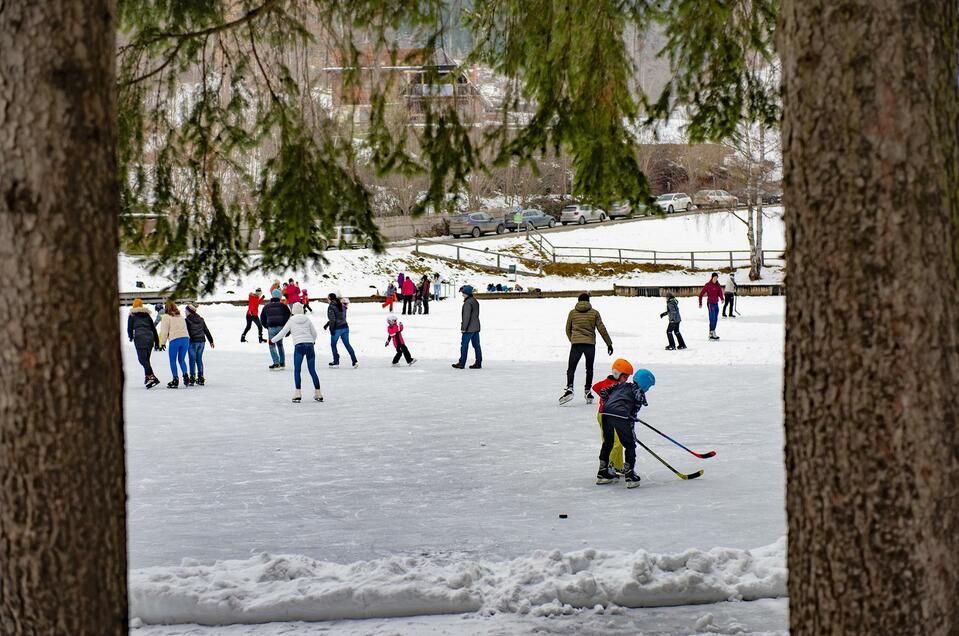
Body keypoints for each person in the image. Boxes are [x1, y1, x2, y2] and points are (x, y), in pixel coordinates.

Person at [597, 369, 656, 488]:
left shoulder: (620, 384)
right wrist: (631, 433)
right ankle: (630, 474)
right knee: (629, 444)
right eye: (648, 387)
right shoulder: (638, 392)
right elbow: (633, 415)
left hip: (606, 412)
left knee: (608, 442)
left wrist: (610, 404)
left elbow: (603, 391)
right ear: (644, 384)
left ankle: (603, 472)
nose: (647, 390)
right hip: (621, 415)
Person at [560, 292, 613, 405]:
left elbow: (567, 329)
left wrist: (573, 339)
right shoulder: (594, 313)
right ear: (589, 301)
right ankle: (587, 390)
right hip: (590, 345)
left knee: (571, 368)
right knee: (589, 369)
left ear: (578, 300)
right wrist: (609, 343)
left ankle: (570, 388)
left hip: (576, 344)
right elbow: (601, 329)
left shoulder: (572, 313)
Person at [271, 303, 323, 403]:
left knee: (297, 370)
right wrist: (312, 341)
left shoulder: (291, 320)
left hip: (299, 347)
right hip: (309, 346)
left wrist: (272, 340)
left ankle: (298, 393)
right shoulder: (307, 320)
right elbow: (315, 334)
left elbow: (282, 333)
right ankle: (318, 393)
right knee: (312, 370)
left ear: (293, 311)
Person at [591, 359, 633, 474]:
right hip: (605, 416)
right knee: (614, 442)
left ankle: (617, 466)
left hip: (609, 415)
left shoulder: (616, 384)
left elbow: (596, 387)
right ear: (617, 374)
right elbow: (596, 387)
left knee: (617, 441)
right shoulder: (613, 385)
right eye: (625, 377)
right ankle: (610, 465)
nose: (627, 379)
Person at [127, 299, 160, 389]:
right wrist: (157, 342)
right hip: (150, 338)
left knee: (142, 360)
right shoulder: (147, 316)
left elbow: (129, 328)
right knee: (146, 359)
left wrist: (130, 337)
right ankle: (147, 376)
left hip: (140, 338)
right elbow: (153, 329)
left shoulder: (132, 315)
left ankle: (152, 377)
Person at [158, 300, 190, 388]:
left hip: (175, 340)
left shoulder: (166, 317)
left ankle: (175, 380)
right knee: (181, 360)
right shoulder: (181, 316)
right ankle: (186, 376)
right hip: (185, 339)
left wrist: (163, 342)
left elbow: (164, 331)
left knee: (173, 360)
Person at [260, 289, 292, 369]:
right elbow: (288, 316)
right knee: (280, 345)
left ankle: (276, 362)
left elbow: (262, 318)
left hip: (271, 328)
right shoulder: (283, 306)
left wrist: (266, 326)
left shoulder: (266, 306)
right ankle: (282, 362)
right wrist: (286, 328)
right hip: (281, 328)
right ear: (280, 297)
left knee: (272, 345)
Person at [324, 293, 358, 368]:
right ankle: (354, 361)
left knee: (333, 344)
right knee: (347, 344)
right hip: (345, 327)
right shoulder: (340, 304)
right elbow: (340, 317)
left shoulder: (331, 307)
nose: (327, 299)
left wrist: (331, 329)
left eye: (327, 298)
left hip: (337, 328)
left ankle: (336, 361)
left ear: (330, 299)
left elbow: (333, 319)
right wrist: (327, 324)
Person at [452, 285, 482, 369]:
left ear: (467, 293)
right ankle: (478, 362)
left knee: (464, 345)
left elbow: (466, 317)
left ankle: (461, 363)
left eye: (463, 293)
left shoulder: (468, 303)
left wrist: (463, 328)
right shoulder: (475, 301)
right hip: (476, 327)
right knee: (477, 345)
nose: (462, 294)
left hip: (469, 328)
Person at [185, 304, 215, 386]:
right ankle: (201, 377)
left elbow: (187, 332)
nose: (185, 312)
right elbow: (206, 330)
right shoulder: (201, 319)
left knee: (192, 360)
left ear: (189, 311)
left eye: (186, 311)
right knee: (199, 359)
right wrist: (211, 341)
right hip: (202, 342)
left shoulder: (187, 320)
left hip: (192, 342)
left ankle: (192, 377)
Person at [698, 272, 725, 340]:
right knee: (712, 318)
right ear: (712, 277)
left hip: (716, 303)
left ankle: (713, 332)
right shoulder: (708, 285)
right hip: (710, 303)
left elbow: (720, 293)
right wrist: (700, 303)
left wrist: (722, 298)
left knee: (715, 319)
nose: (715, 279)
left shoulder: (718, 285)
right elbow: (701, 294)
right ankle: (711, 333)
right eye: (714, 278)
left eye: (716, 278)